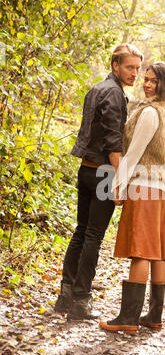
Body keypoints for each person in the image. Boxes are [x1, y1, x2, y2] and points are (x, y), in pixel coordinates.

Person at [54, 43, 144, 320]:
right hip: (104, 172)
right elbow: (112, 142)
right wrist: (119, 181)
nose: (135, 73)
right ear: (115, 65)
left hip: (85, 170)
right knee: (92, 235)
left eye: (138, 68)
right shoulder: (115, 94)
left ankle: (65, 295)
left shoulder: (97, 88)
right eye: (130, 67)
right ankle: (81, 301)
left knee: (81, 232)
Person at [99, 62, 165, 335]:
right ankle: (153, 317)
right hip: (161, 190)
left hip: (144, 187)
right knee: (158, 253)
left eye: (154, 81)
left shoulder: (150, 112)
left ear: (164, 85)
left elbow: (133, 154)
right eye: (146, 79)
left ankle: (128, 318)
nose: (147, 84)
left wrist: (118, 185)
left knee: (142, 251)